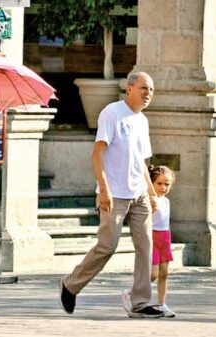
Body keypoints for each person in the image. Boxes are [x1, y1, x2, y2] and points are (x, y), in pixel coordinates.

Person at [58, 72, 165, 318]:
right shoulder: (112, 113)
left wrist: (150, 192)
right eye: (143, 88)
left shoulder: (142, 120)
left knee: (145, 246)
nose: (148, 94)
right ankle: (71, 284)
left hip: (139, 194)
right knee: (107, 246)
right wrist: (103, 190)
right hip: (114, 194)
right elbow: (97, 154)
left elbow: (142, 161)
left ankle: (140, 302)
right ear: (129, 88)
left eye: (151, 90)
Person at [148, 165, 177, 318]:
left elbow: (166, 222)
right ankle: (134, 294)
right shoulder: (150, 200)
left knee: (164, 273)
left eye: (167, 184)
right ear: (151, 183)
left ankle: (161, 303)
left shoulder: (166, 201)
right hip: (152, 237)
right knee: (152, 274)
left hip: (164, 238)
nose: (164, 187)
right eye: (159, 183)